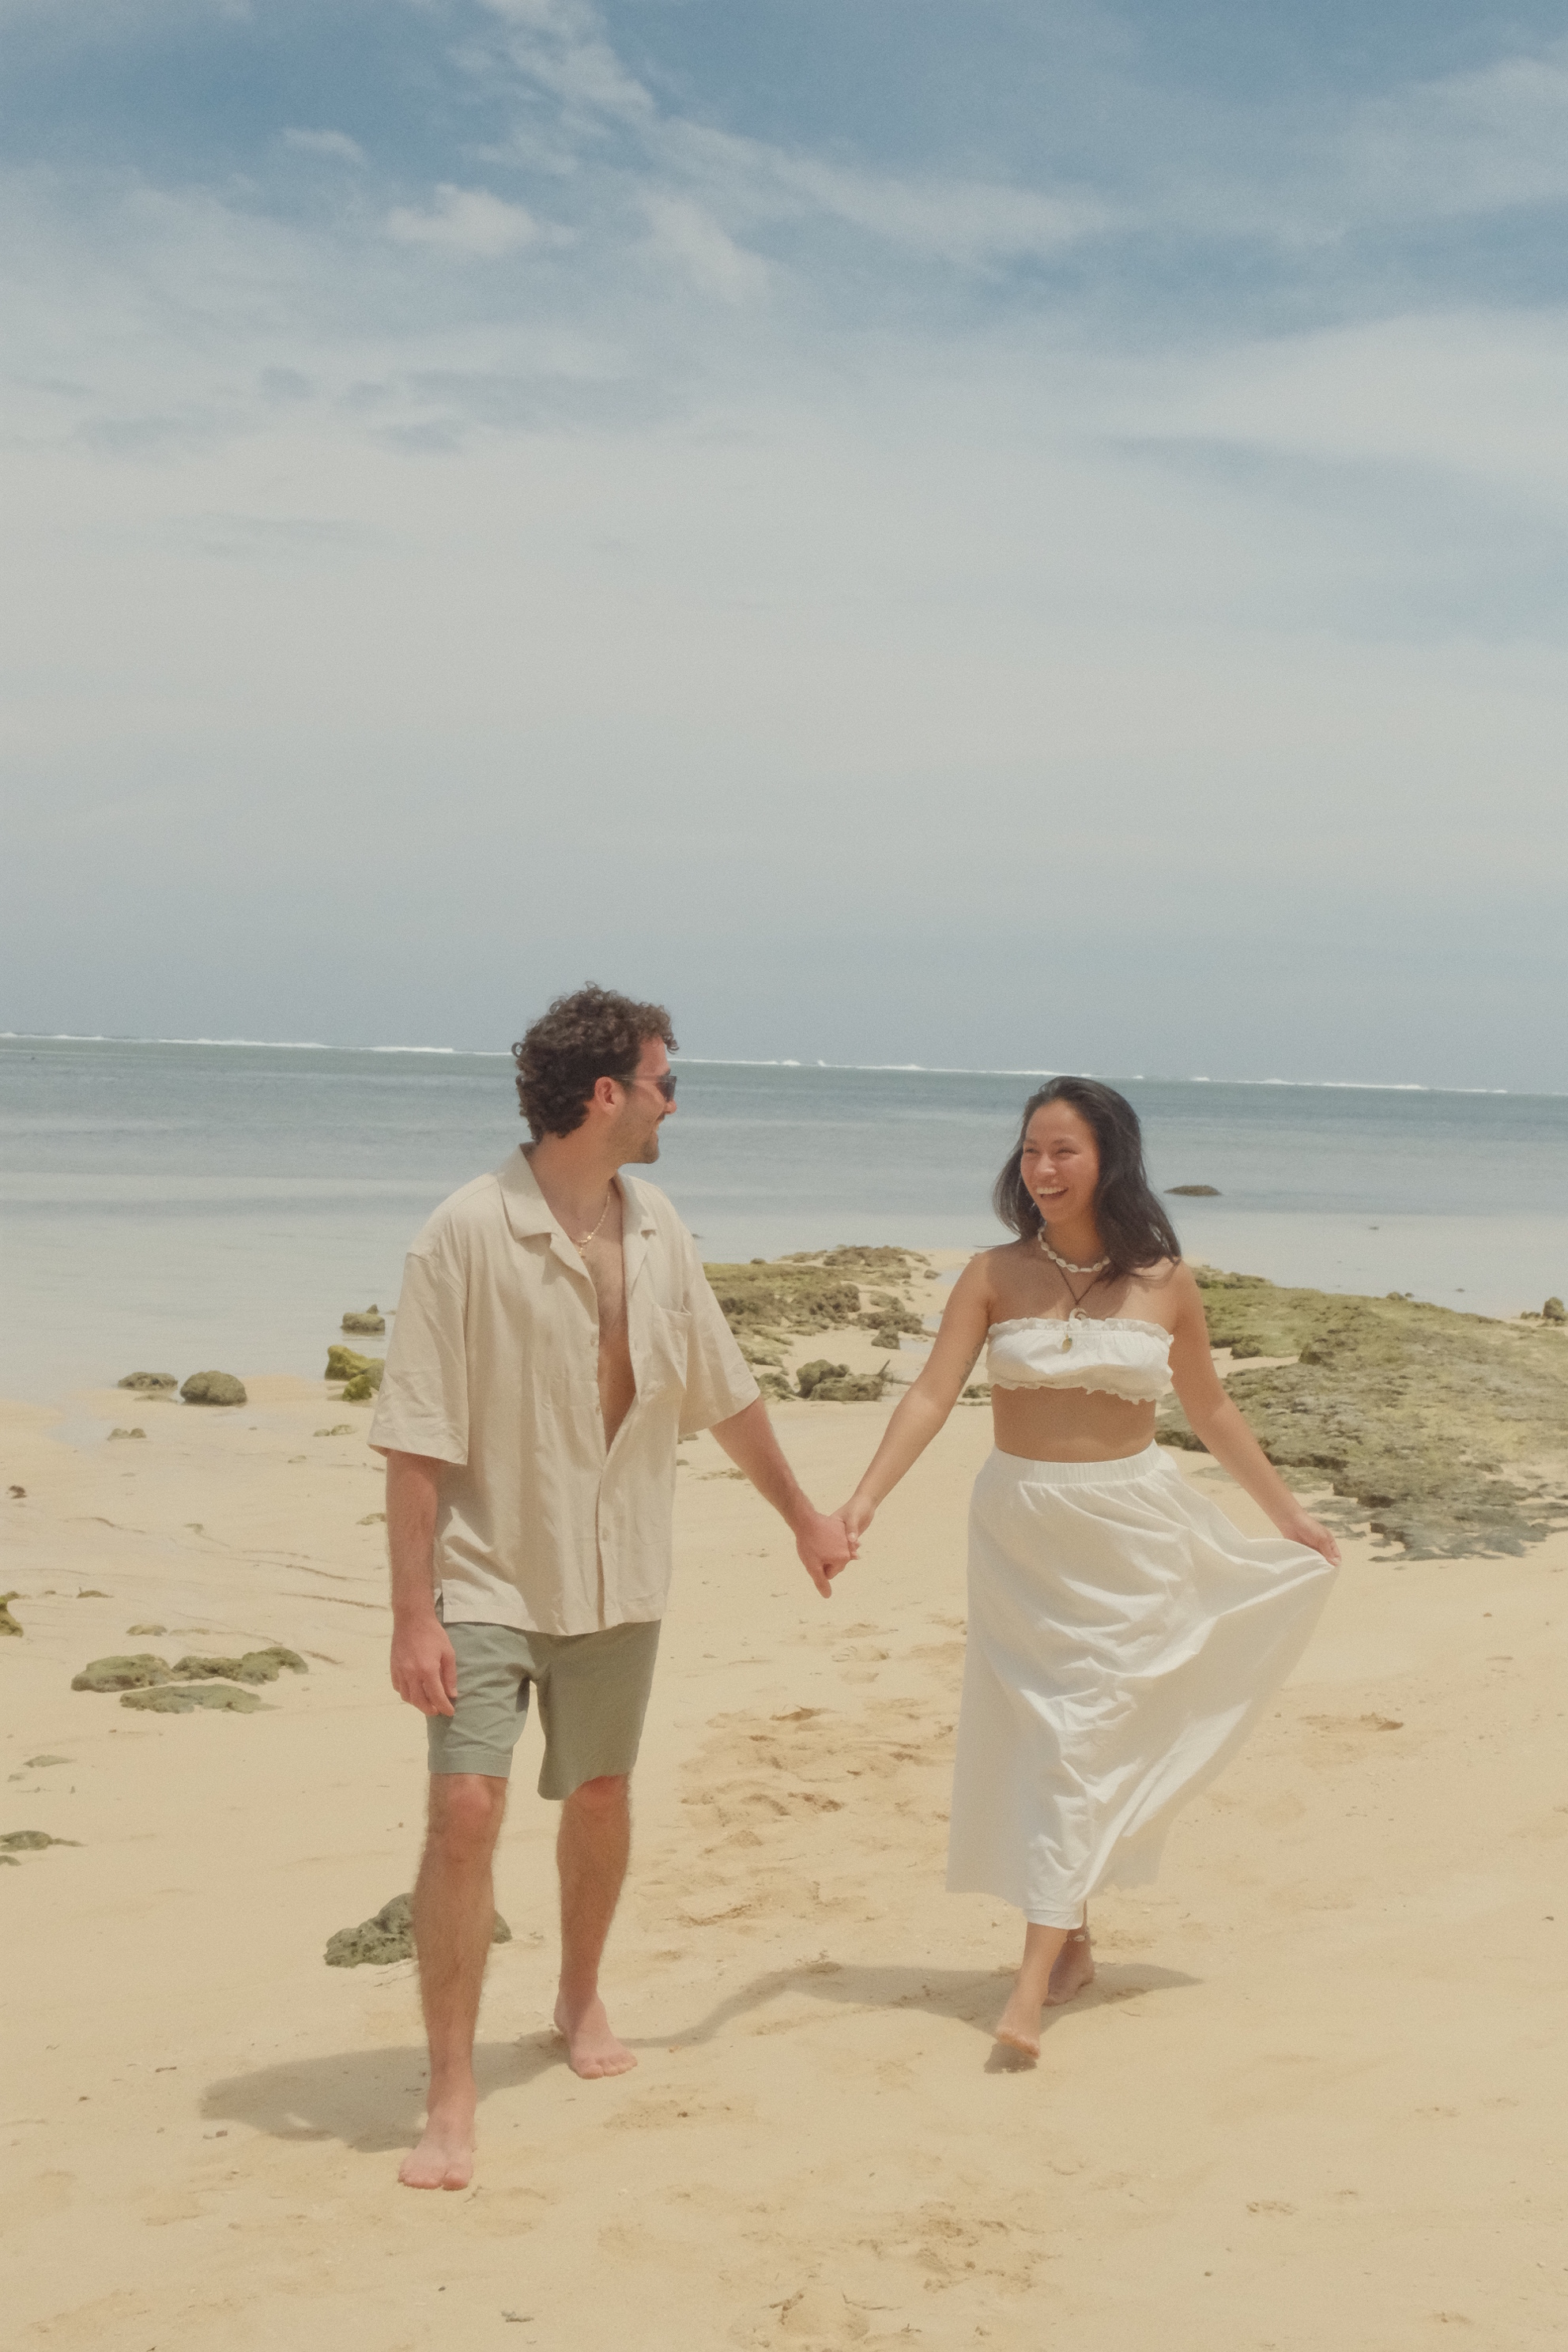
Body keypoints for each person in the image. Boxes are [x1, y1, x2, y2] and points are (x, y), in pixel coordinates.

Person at [369, 984, 853, 2188]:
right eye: (661, 1082)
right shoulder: (465, 1231)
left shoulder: (658, 1229)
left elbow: (722, 1390)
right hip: (488, 1570)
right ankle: (449, 2085)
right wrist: (412, 1613)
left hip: (620, 1571)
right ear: (604, 1095)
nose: (671, 1102)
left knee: (597, 1794)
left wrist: (802, 1515)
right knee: (466, 1814)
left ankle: (579, 1996)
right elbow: (416, 1437)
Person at [837, 1076, 1339, 2061]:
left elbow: (1213, 1410)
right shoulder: (992, 1273)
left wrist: (1286, 1516)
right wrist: (863, 1500)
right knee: (1044, 1737)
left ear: (1109, 1156)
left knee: (1083, 1738)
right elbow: (933, 1396)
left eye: (1062, 1151)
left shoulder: (1163, 1281)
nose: (1043, 1169)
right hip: (1021, 1533)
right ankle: (1068, 1943)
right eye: (1029, 1151)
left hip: (1132, 1529)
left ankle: (1027, 1987)